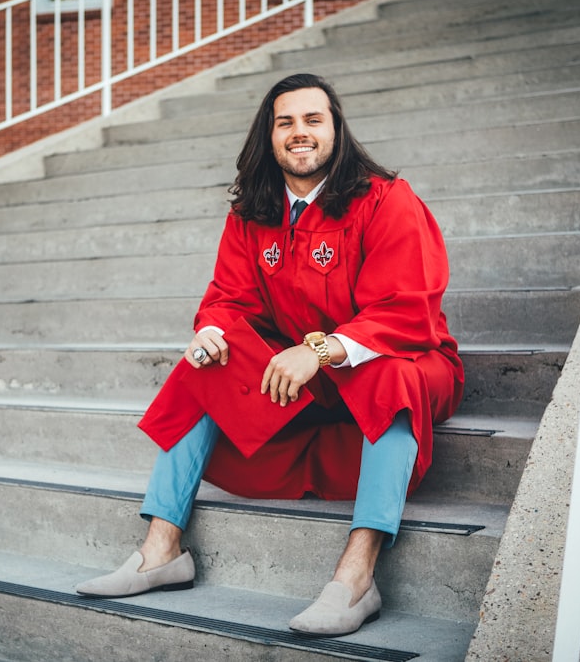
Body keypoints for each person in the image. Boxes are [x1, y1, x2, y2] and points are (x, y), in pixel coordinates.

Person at [76, 73, 464, 637]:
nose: (299, 132)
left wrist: (322, 350)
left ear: (336, 128)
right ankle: (162, 550)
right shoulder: (253, 212)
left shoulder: (383, 198)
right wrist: (212, 333)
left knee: (392, 379)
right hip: (305, 374)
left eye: (313, 119)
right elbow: (229, 300)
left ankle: (357, 577)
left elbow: (406, 306)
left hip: (401, 357)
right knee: (202, 366)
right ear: (270, 134)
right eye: (285, 122)